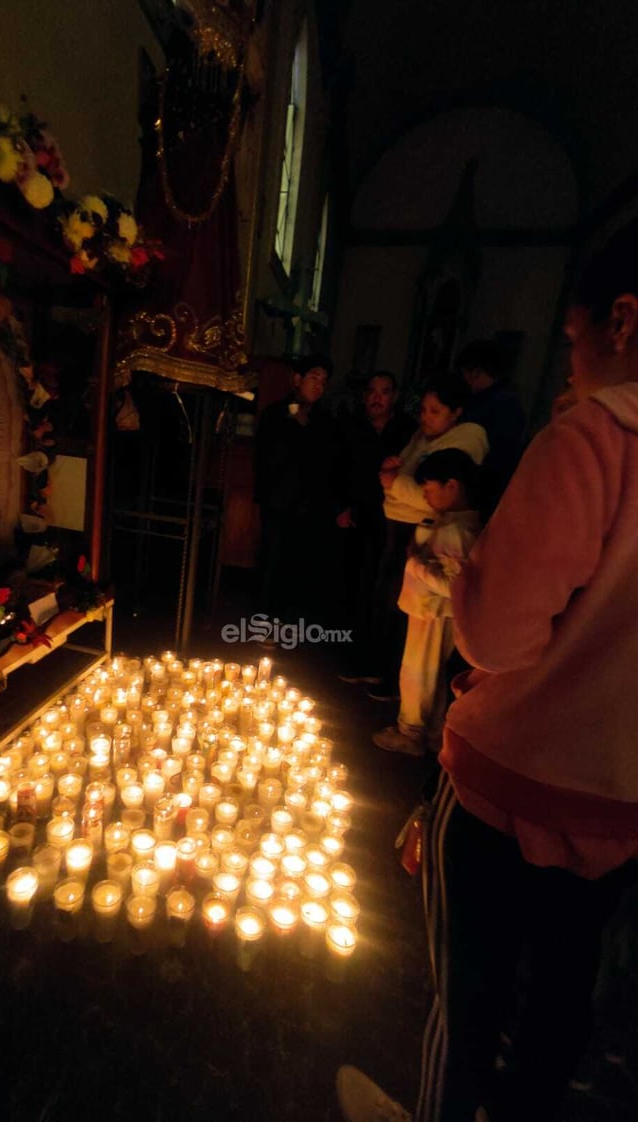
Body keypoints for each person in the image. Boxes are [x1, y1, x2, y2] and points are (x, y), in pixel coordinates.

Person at [336, 220, 638, 1122]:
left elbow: (496, 637)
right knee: (554, 1017)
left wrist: (470, 576)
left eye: (575, 338)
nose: (571, 361)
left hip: (515, 788)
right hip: (619, 808)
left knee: (466, 1011)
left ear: (622, 319)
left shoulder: (595, 439)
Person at [366, 378, 487, 701]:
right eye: (422, 410)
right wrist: (394, 478)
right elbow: (409, 477)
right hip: (403, 528)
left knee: (418, 650)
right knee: (388, 603)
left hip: (427, 586)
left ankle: (411, 715)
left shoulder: (464, 444)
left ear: (456, 412)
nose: (425, 417)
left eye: (435, 411)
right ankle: (395, 687)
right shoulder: (424, 437)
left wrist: (395, 484)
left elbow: (424, 492)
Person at [372, 449, 480, 757]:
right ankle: (431, 733)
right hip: (431, 611)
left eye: (430, 490)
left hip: (433, 613)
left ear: (452, 486)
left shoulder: (454, 531)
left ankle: (411, 733)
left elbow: (453, 585)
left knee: (418, 673)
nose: (426, 496)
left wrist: (415, 564)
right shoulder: (452, 524)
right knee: (428, 673)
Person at [335, 372, 416, 682]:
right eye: (371, 391)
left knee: (386, 592)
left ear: (394, 396)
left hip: (396, 520)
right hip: (360, 516)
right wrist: (341, 505)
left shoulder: (407, 430)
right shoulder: (351, 426)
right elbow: (339, 467)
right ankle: (351, 655)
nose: (377, 397)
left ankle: (378, 661)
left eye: (384, 391)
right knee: (356, 584)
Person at [254, 354, 337, 629]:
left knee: (298, 565)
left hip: (308, 506)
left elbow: (326, 463)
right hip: (278, 502)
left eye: (324, 381)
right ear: (298, 379)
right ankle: (265, 622)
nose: (319, 385)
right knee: (272, 560)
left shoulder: (323, 420)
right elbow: (268, 458)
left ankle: (289, 624)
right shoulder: (275, 414)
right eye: (314, 377)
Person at [455, 339, 527, 518]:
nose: (464, 381)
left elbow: (500, 455)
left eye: (465, 374)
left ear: (476, 372)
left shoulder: (500, 405)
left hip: (484, 489)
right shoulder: (501, 400)